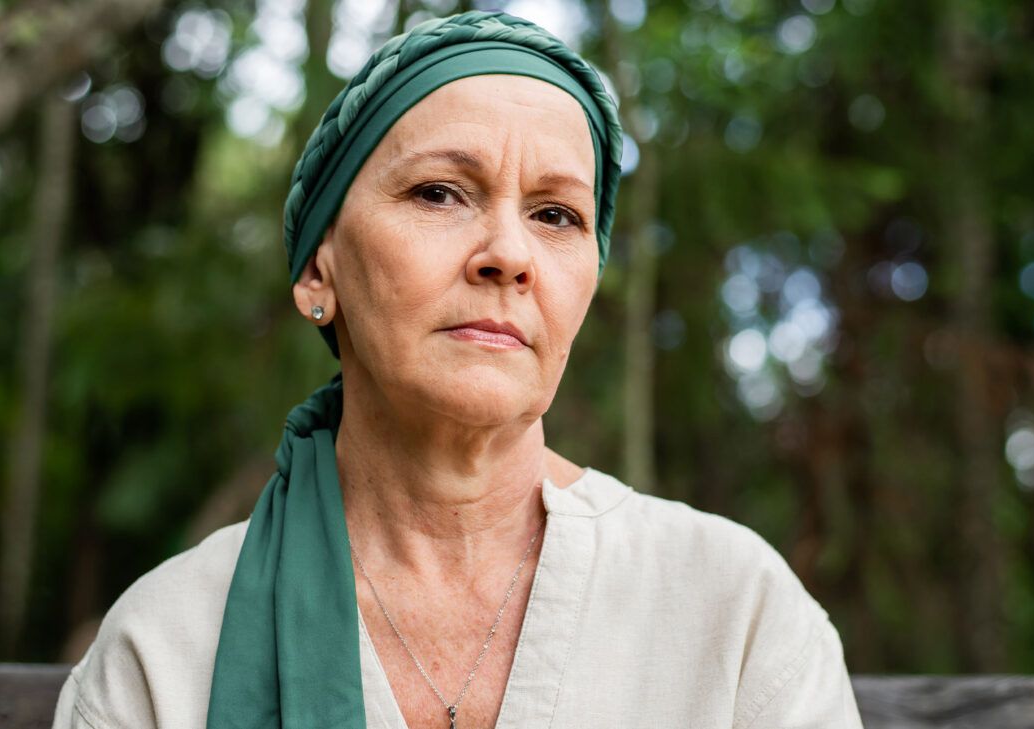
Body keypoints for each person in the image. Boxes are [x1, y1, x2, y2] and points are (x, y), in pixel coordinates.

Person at [52, 10, 863, 729]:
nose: (508, 255)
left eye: (556, 215)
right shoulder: (164, 651)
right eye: (440, 193)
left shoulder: (733, 610)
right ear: (318, 273)